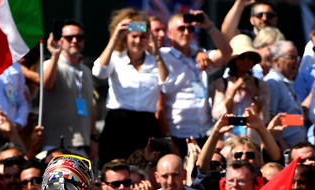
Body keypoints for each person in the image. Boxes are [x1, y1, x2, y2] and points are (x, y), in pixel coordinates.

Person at [93, 9, 170, 165]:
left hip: (146, 123)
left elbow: (168, 85)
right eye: (133, 36)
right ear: (126, 37)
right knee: (115, 168)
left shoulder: (156, 60)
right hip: (118, 122)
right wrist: (114, 39)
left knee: (145, 171)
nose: (137, 41)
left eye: (142, 37)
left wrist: (156, 53)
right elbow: (98, 72)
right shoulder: (116, 57)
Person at [160, 11, 231, 156]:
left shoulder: (200, 55)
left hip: (202, 133)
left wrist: (209, 26)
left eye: (190, 29)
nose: (186, 32)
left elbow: (227, 52)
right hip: (177, 134)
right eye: (181, 28)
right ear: (169, 33)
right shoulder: (163, 56)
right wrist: (167, 138)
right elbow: (158, 105)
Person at [40, 20, 97, 158]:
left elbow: (91, 106)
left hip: (81, 146)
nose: (75, 40)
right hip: (55, 147)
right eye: (69, 37)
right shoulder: (50, 64)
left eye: (79, 37)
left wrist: (93, 138)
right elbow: (47, 84)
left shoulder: (86, 71)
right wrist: (54, 54)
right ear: (59, 40)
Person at [211, 35, 270, 145]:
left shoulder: (261, 84)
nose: (246, 61)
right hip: (227, 141)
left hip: (253, 141)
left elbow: (264, 117)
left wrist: (255, 93)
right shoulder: (221, 84)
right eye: (242, 57)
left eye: (250, 57)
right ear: (234, 60)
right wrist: (233, 90)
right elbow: (217, 115)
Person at [264, 40, 304, 149]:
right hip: (284, 149)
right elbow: (269, 118)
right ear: (276, 60)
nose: (296, 62)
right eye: (291, 58)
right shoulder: (273, 82)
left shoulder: (285, 81)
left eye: (297, 58)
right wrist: (282, 145)